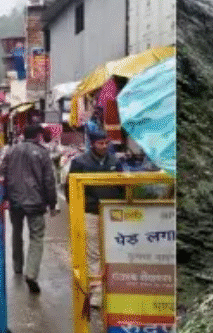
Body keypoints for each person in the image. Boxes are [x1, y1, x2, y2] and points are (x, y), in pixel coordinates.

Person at [0, 124, 57, 294]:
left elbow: (1, 175)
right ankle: (31, 273)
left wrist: (3, 197)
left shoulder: (11, 151)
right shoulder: (43, 153)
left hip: (15, 201)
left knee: (16, 233)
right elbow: (49, 181)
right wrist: (52, 203)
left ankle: (17, 267)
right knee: (37, 237)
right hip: (36, 202)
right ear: (39, 135)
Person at [68, 129, 123, 306]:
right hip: (90, 212)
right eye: (101, 143)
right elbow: (70, 188)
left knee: (111, 250)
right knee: (93, 253)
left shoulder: (115, 161)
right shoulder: (79, 162)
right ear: (92, 144)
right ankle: (97, 293)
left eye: (107, 143)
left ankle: (114, 290)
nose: (105, 146)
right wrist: (78, 208)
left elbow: (122, 185)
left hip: (112, 213)